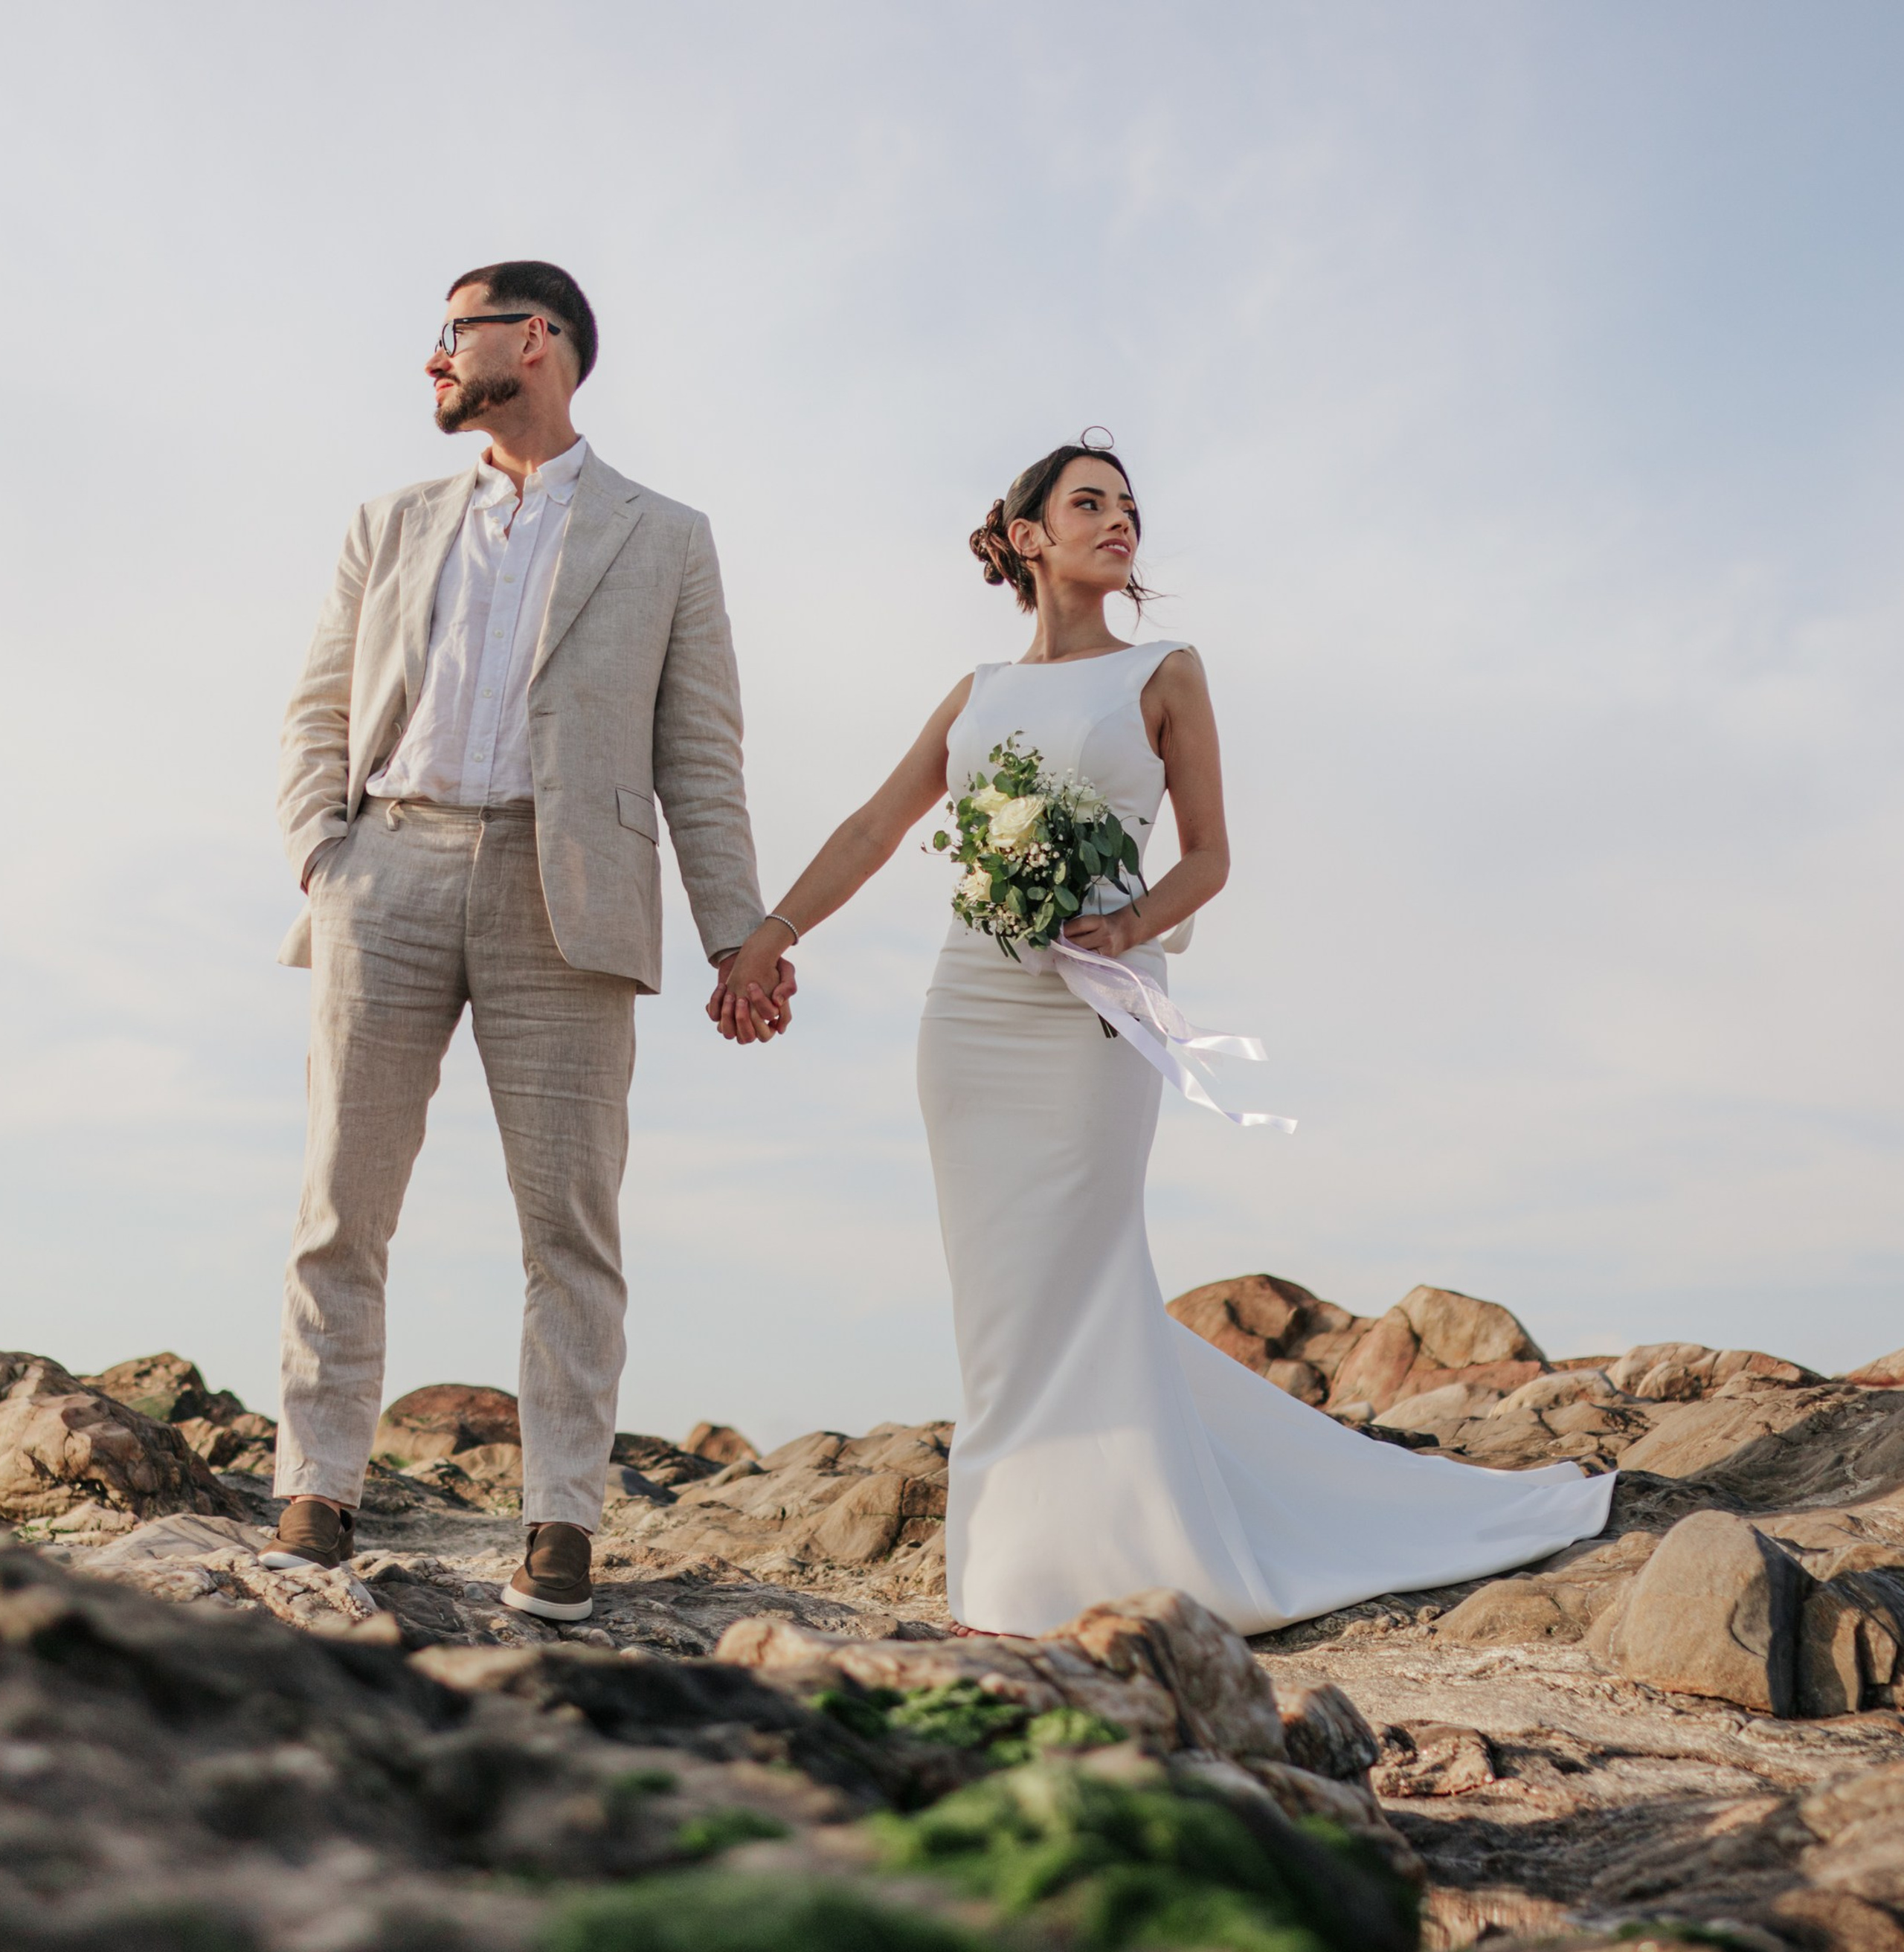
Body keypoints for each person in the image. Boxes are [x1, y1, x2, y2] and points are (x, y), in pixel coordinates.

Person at [712, 435, 1614, 1635]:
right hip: (971, 1014)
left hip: (1090, 1015)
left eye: (1130, 506)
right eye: (1089, 503)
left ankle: (1074, 1569)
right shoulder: (976, 692)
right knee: (998, 1298)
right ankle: (1022, 1567)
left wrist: (1125, 922)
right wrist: (772, 934)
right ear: (1029, 537)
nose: (1118, 520)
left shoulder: (1166, 671)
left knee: (1074, 1275)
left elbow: (1211, 856)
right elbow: (881, 824)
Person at [267, 260, 791, 1623]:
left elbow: (701, 756)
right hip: (389, 865)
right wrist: (327, 859)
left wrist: (740, 931)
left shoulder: (665, 536)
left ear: (538, 341)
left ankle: (560, 1516)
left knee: (570, 1224)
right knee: (342, 1198)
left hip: (569, 897)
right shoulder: (389, 521)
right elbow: (317, 708)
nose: (435, 360)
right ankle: (316, 1484)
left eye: (456, 333)